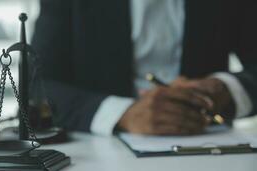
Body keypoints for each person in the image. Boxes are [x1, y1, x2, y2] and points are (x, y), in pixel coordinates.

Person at [31, 0, 257, 136]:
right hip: (100, 156)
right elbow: (37, 87)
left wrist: (227, 88)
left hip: (208, 144)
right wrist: (123, 114)